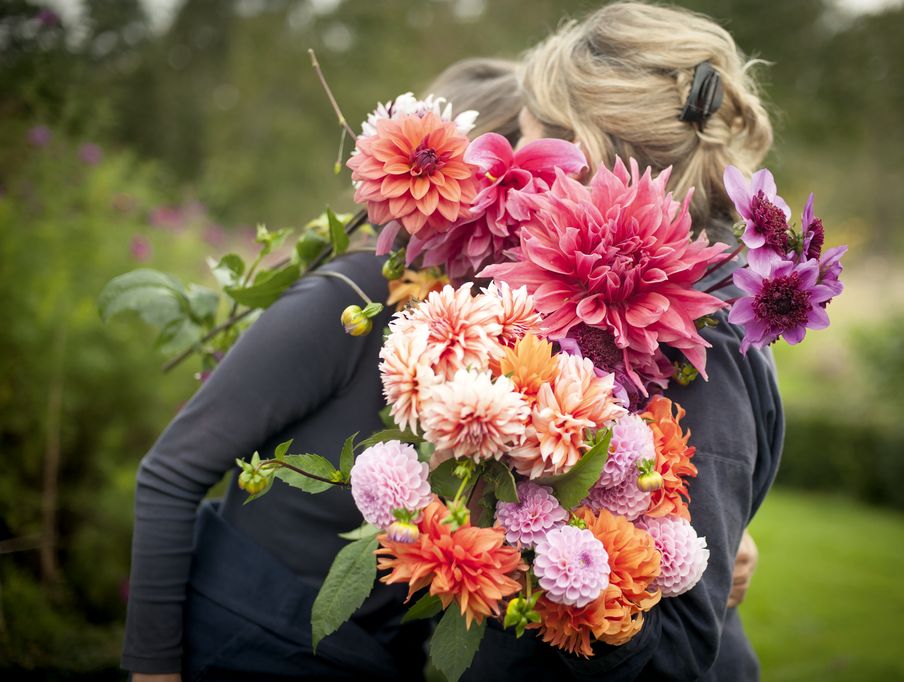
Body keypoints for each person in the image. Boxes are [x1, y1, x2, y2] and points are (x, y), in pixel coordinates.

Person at [124, 24, 768, 682]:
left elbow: (559, 489)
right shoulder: (351, 298)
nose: (518, 197)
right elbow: (171, 471)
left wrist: (711, 535)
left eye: (533, 166)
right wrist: (151, 671)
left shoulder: (524, 332)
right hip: (249, 631)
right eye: (505, 170)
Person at [459, 3, 782, 680]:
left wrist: (558, 573)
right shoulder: (571, 296)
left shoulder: (701, 339)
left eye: (533, 144)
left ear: (592, 155)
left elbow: (680, 642)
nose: (518, 170)